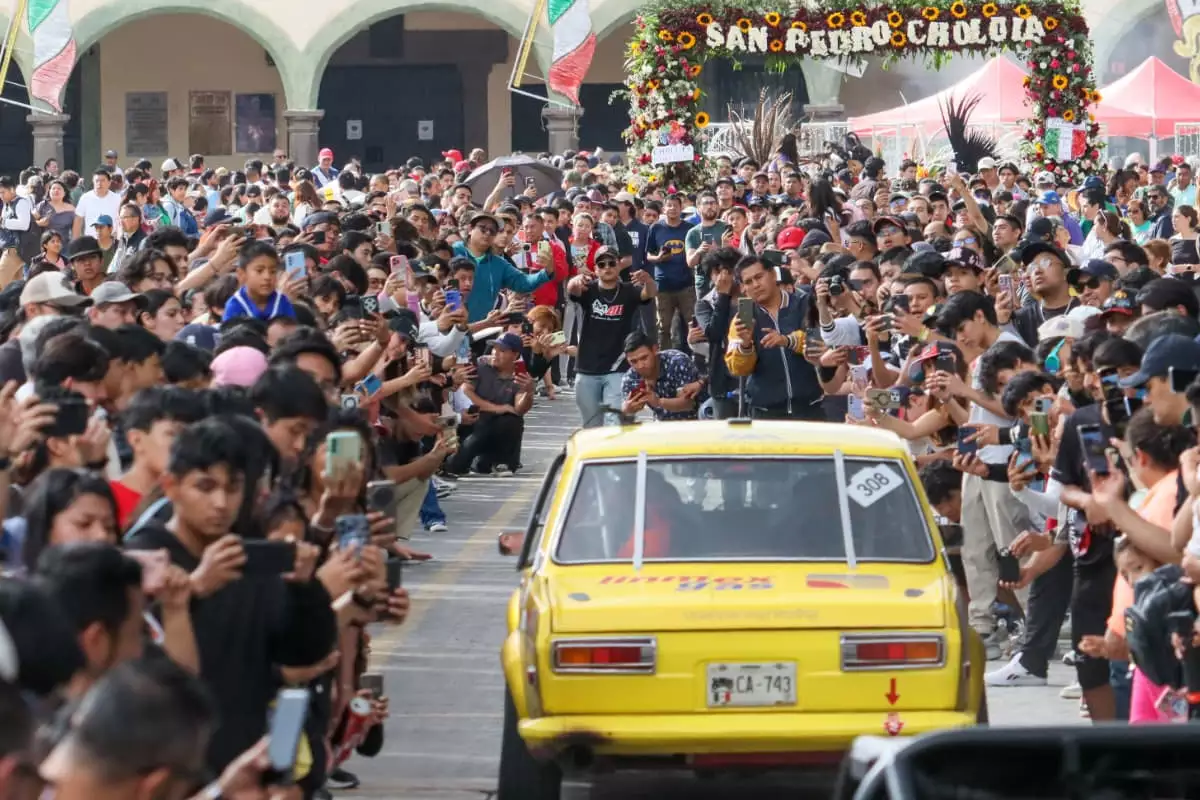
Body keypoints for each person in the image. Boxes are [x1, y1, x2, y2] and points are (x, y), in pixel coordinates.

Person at [565, 246, 656, 427]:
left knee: (615, 422)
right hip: (587, 368)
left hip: (618, 368)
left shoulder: (629, 290)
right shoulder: (588, 289)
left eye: (611, 263)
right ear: (596, 269)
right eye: (602, 264)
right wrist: (574, 280)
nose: (607, 267)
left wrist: (648, 280)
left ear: (619, 265)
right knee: (591, 425)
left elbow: (649, 293)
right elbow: (572, 290)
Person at [725, 254, 825, 420]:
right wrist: (745, 345)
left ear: (773, 274)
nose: (756, 285)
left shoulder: (804, 303)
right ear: (742, 288)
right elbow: (737, 369)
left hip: (810, 407)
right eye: (748, 282)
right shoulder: (741, 319)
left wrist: (787, 341)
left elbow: (817, 343)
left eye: (759, 277)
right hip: (765, 413)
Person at [446, 333, 533, 476]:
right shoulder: (481, 366)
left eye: (502, 350)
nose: (495, 353)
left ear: (515, 355)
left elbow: (519, 409)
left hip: (499, 428)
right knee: (456, 465)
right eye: (494, 349)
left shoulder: (520, 377)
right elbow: (467, 391)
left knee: (512, 420)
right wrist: (497, 408)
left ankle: (501, 462)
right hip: (476, 423)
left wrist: (528, 393)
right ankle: (470, 460)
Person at [620, 330, 706, 421]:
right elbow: (626, 410)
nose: (640, 365)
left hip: (698, 420)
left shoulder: (677, 362)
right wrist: (627, 409)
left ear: (655, 350)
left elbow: (689, 404)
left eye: (644, 358)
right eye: (633, 361)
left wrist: (659, 402)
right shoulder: (630, 378)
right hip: (662, 424)